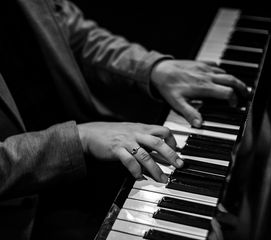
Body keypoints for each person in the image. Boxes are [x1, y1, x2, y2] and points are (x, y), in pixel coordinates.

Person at [0, 0, 249, 239]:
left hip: (90, 147)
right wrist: (78, 138)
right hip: (24, 214)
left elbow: (70, 33)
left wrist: (151, 68)